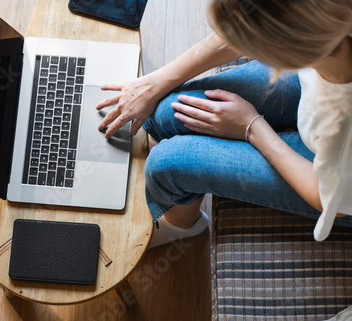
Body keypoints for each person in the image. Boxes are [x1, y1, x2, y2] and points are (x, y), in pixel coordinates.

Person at [96, 0, 352, 248]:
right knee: (166, 111)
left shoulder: (338, 121)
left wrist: (251, 128)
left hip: (335, 190)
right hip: (330, 75)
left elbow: (332, 200)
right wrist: (154, 83)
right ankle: (161, 144)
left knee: (166, 164)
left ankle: (181, 227)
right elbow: (254, 14)